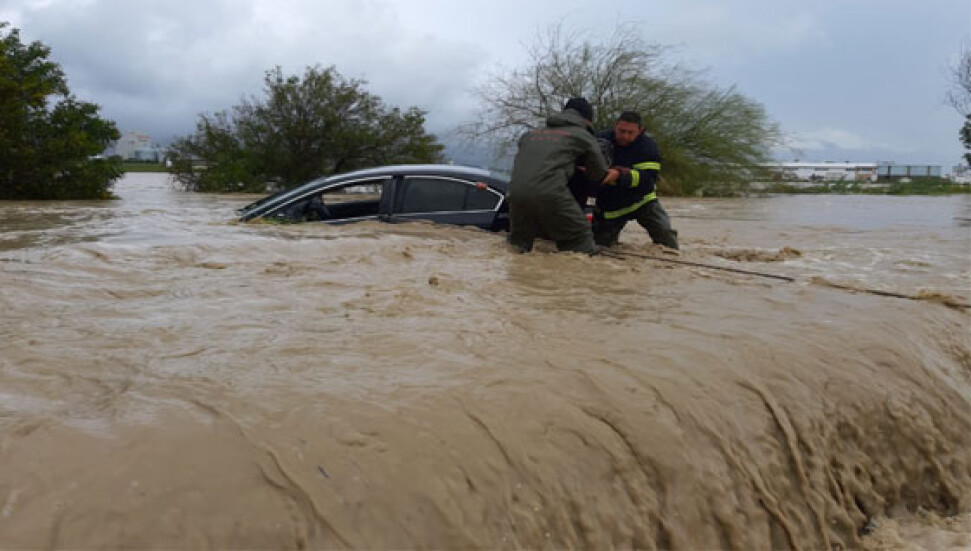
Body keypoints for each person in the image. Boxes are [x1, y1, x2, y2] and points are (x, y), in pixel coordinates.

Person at [507, 98, 619, 254]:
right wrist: (612, 174)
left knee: (517, 245)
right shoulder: (582, 135)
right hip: (550, 193)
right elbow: (597, 174)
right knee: (580, 237)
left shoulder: (529, 135)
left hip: (515, 195)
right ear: (587, 120)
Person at [593, 111, 679, 250]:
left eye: (630, 133)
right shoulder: (599, 139)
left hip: (643, 202)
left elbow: (648, 180)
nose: (625, 136)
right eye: (621, 131)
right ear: (615, 126)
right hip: (610, 207)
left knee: (668, 243)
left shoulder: (648, 147)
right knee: (600, 249)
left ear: (639, 131)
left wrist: (620, 175)